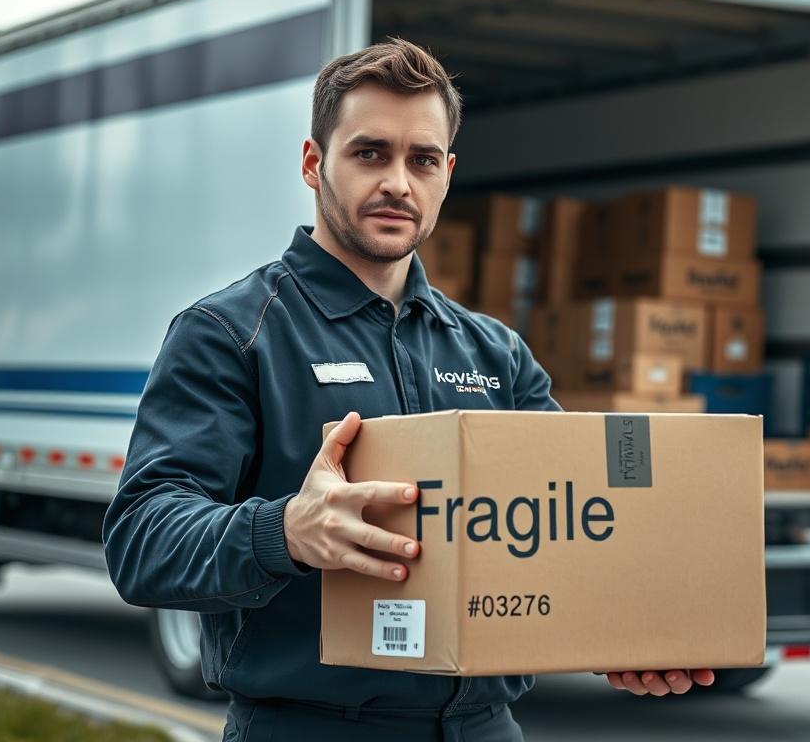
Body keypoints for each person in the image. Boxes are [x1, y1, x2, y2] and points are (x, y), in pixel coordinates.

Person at [102, 38, 713, 742]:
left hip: (485, 727)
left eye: (421, 160)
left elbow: (569, 532)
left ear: (446, 174)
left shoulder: (494, 351)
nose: (398, 181)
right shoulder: (231, 335)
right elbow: (142, 541)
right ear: (312, 164)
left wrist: (627, 636)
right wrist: (285, 532)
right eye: (370, 153)